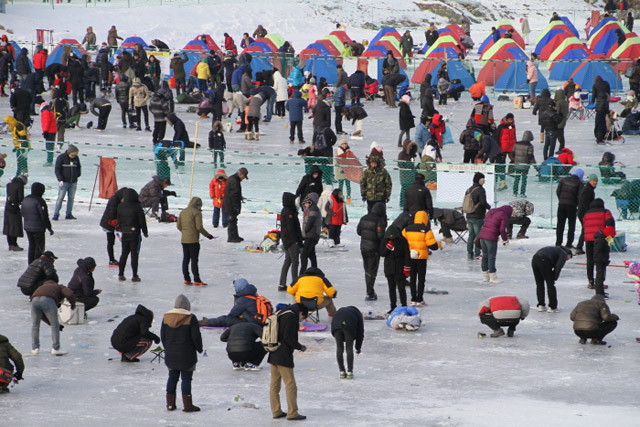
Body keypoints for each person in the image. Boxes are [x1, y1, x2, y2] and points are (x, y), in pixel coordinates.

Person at [161, 294, 203, 412]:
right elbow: (196, 336)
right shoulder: (190, 318)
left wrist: (168, 348)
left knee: (172, 378)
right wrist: (199, 348)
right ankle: (188, 405)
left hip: (171, 354)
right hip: (187, 355)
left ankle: (170, 404)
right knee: (186, 379)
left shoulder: (166, 317)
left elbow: (163, 336)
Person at [268, 303, 308, 421]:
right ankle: (292, 413)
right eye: (303, 317)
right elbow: (288, 337)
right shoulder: (291, 316)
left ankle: (276, 411)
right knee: (290, 384)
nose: (301, 320)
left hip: (273, 351)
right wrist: (300, 347)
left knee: (274, 384)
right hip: (283, 355)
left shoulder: (281, 312)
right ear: (301, 312)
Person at [30, 280, 75, 356]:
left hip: (34, 300)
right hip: (48, 300)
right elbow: (69, 294)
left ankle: (35, 349)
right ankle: (56, 348)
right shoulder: (59, 286)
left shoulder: (41, 287)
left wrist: (50, 323)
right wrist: (73, 305)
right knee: (55, 326)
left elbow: (42, 315)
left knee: (35, 325)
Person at [177, 197, 214, 286]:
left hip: (184, 240)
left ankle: (187, 279)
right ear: (198, 205)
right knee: (194, 260)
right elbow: (199, 227)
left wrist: (185, 232)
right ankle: (196, 280)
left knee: (185, 259)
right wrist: (208, 235)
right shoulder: (197, 213)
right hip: (193, 240)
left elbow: (178, 226)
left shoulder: (183, 212)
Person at [582, 199, 616, 295]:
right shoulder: (605, 212)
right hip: (600, 239)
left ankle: (591, 281)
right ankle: (600, 283)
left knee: (590, 260)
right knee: (601, 262)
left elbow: (584, 226)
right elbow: (610, 226)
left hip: (588, 239)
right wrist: (611, 241)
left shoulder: (586, 214)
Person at [116, 188, 148, 282]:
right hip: (135, 233)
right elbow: (142, 220)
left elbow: (119, 219)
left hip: (125, 233)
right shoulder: (137, 207)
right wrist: (145, 232)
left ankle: (121, 274)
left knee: (124, 254)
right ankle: (134, 275)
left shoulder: (120, 206)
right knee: (135, 254)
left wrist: (121, 228)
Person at [357, 201, 386, 300]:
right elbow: (381, 235)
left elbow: (358, 231)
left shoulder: (364, 218)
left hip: (363, 247)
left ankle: (369, 290)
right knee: (372, 270)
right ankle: (370, 292)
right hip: (374, 248)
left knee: (367, 269)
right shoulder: (379, 220)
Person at [477, 205, 512, 284]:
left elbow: (488, 223)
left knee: (485, 256)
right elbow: (502, 229)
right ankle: (493, 277)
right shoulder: (503, 215)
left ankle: (485, 277)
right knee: (491, 256)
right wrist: (505, 239)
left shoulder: (491, 211)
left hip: (482, 236)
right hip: (491, 238)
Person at [532, 246, 572, 312]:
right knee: (550, 284)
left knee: (539, 283)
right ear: (569, 254)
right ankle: (552, 306)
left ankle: (541, 305)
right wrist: (554, 277)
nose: (567, 260)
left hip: (535, 259)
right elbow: (558, 267)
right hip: (544, 260)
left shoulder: (556, 250)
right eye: (569, 258)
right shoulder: (563, 254)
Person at [21, 182, 53, 265]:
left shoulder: (26, 199)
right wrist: (49, 227)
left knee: (31, 246)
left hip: (28, 227)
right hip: (38, 228)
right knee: (39, 248)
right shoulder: (40, 201)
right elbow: (44, 216)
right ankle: (37, 265)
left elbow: (22, 212)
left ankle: (30, 264)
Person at [380, 224, 411, 311]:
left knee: (401, 288)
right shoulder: (385, 240)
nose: (392, 237)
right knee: (391, 288)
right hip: (389, 268)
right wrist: (388, 247)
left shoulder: (403, 241)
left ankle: (404, 306)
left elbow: (407, 254)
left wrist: (407, 267)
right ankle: (393, 307)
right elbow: (382, 253)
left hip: (400, 268)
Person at [331, 306, 364, 379]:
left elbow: (333, 322)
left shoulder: (342, 310)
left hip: (336, 325)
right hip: (349, 326)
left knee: (339, 348)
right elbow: (360, 333)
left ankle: (342, 371)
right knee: (349, 349)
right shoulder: (358, 315)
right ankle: (350, 372)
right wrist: (358, 348)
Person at [279, 192, 303, 291]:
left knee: (288, 261)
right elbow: (291, 229)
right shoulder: (288, 213)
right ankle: (294, 283)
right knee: (295, 262)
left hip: (287, 240)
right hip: (291, 241)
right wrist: (296, 241)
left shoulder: (288, 211)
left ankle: (282, 284)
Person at [464, 172, 491, 261]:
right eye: (483, 179)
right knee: (478, 236)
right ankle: (477, 254)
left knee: (471, 235)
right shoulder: (481, 190)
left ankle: (469, 254)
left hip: (469, 215)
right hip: (478, 216)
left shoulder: (469, 189)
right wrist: (489, 207)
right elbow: (482, 203)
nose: (484, 181)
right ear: (480, 180)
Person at [99, 187, 127, 267]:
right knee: (110, 241)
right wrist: (117, 225)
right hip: (108, 223)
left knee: (112, 240)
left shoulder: (118, 200)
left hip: (112, 223)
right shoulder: (114, 200)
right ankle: (111, 260)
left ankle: (112, 260)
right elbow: (112, 214)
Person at [555, 169, 584, 247]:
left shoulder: (563, 180)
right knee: (571, 225)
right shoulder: (580, 183)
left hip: (561, 205)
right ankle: (569, 243)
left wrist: (561, 200)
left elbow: (558, 191)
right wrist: (577, 205)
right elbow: (580, 197)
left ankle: (558, 243)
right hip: (572, 206)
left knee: (560, 224)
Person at [52, 144, 81, 221]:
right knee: (60, 198)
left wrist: (77, 175)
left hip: (73, 182)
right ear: (69, 153)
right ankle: (56, 214)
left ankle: (68, 214)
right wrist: (60, 179)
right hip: (64, 182)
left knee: (71, 198)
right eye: (72, 155)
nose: (74, 156)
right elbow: (57, 170)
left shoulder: (76, 158)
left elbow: (78, 168)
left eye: (75, 155)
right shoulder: (61, 158)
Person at [223, 167, 248, 243]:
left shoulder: (233, 178)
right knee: (232, 221)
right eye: (243, 177)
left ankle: (235, 236)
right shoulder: (235, 180)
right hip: (231, 204)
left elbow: (234, 192)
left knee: (233, 220)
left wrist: (240, 197)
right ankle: (231, 237)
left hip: (229, 203)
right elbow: (234, 194)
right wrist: (236, 205)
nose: (243, 179)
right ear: (240, 174)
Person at [299, 193, 322, 274]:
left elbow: (311, 220)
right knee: (312, 255)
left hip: (311, 235)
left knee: (304, 255)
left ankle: (302, 273)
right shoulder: (311, 209)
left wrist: (305, 230)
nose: (305, 204)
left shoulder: (313, 208)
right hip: (311, 234)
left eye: (306, 203)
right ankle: (315, 271)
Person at [575, 174, 598, 255]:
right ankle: (579, 247)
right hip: (584, 213)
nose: (595, 182)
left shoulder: (589, 189)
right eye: (594, 181)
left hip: (584, 212)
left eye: (596, 181)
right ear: (590, 181)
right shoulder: (588, 189)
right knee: (585, 230)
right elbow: (584, 202)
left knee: (585, 230)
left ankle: (580, 246)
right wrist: (589, 212)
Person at [3, 174, 27, 251]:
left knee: (9, 227)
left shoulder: (9, 185)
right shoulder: (20, 186)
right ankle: (14, 244)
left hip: (8, 207)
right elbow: (20, 198)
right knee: (15, 227)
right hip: (15, 208)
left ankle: (10, 244)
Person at [493, 113, 516, 191]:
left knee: (514, 160)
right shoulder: (501, 126)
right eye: (509, 119)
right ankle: (502, 182)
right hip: (502, 148)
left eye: (512, 119)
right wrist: (498, 148)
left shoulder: (513, 126)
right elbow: (497, 137)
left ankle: (511, 172)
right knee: (501, 165)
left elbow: (514, 136)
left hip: (511, 147)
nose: (510, 121)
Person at [511, 130, 536, 197]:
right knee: (524, 180)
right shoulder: (530, 145)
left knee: (517, 179)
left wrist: (515, 160)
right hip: (525, 165)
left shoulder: (516, 144)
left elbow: (513, 153)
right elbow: (530, 156)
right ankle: (522, 193)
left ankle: (514, 193)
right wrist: (535, 166)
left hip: (517, 165)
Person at [593, 75, 611, 143]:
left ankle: (598, 136)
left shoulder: (595, 85)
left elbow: (594, 94)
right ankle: (600, 137)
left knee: (598, 123)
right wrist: (607, 111)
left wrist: (592, 102)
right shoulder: (605, 98)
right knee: (602, 124)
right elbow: (609, 93)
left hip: (599, 110)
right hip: (603, 111)